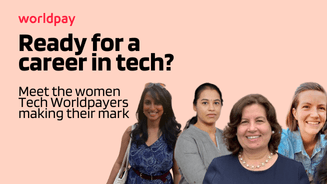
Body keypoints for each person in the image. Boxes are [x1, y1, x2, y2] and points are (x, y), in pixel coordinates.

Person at [204, 94, 309, 184]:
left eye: (259, 121)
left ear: (272, 127)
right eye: (244, 122)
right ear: (235, 129)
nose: (252, 128)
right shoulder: (219, 168)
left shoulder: (294, 171)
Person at [106, 83, 181, 184]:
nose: (152, 108)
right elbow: (119, 163)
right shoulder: (131, 132)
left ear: (165, 105)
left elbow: (177, 173)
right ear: (142, 105)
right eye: (148, 102)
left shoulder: (175, 136)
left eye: (158, 103)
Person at [174, 83, 230, 184]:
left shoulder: (227, 137)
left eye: (216, 103)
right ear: (194, 106)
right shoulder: (186, 139)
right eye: (205, 103)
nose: (211, 108)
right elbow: (202, 181)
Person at [278, 82, 327, 182]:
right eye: (306, 107)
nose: (315, 115)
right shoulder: (280, 142)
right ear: (295, 113)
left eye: (321, 108)